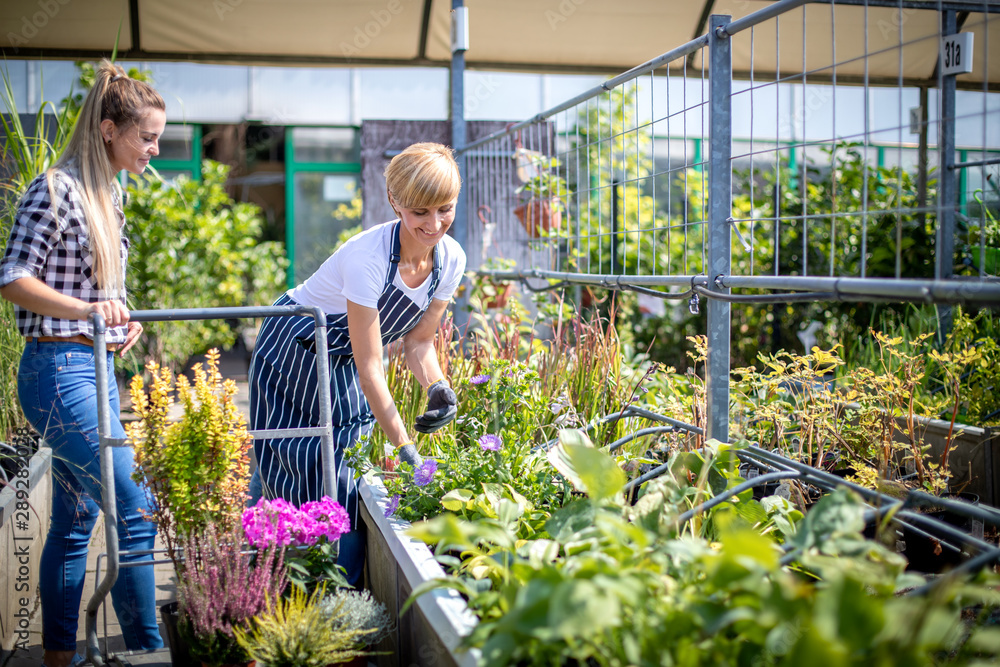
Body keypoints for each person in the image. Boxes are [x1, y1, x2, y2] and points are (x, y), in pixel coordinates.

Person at [0, 61, 166, 667]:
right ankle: (149, 654)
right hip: (54, 373)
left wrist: (120, 319)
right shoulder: (53, 188)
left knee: (76, 521)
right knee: (133, 507)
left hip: (91, 367)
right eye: (146, 137)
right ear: (107, 129)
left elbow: (97, 295)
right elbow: (12, 278)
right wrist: (89, 310)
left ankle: (58, 659)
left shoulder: (109, 194)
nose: (154, 149)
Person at [248, 142, 466, 586]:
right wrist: (407, 450)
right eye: (420, 212)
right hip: (293, 348)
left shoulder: (450, 261)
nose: (434, 224)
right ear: (395, 203)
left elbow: (419, 343)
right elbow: (371, 370)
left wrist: (438, 386)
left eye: (445, 209)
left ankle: (334, 599)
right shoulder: (367, 258)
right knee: (283, 467)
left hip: (342, 356)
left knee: (343, 480)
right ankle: (264, 582)